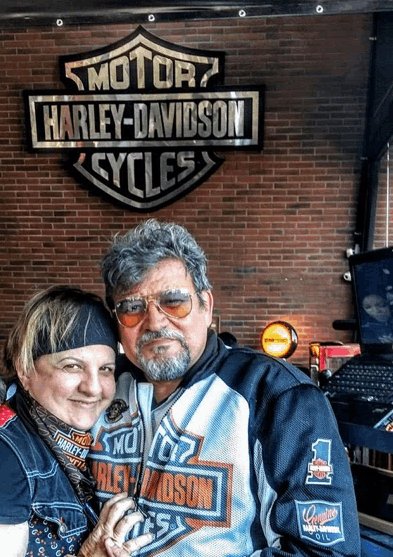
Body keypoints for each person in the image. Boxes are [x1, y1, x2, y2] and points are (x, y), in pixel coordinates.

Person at [89, 219, 360, 557]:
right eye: (132, 308)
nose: (155, 322)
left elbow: (322, 552)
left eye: (173, 302)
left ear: (206, 307)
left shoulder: (275, 396)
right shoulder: (97, 390)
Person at [0, 286, 153, 557]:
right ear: (25, 369)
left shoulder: (66, 438)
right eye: (72, 366)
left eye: (105, 369)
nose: (93, 388)